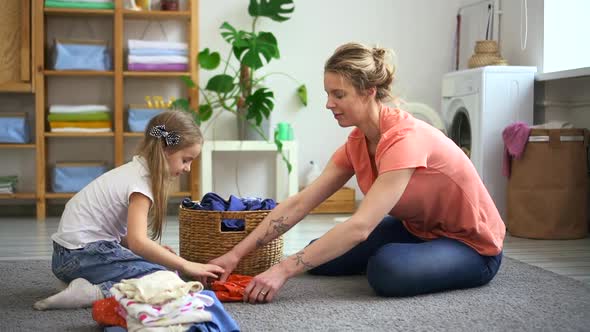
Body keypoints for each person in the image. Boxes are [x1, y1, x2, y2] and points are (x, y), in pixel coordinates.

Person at [209, 42, 505, 303]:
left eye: (339, 94)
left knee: (386, 270)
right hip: (419, 230)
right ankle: (417, 256)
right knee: (319, 258)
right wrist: (236, 254)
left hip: (473, 245)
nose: (329, 104)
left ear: (369, 92)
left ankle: (418, 260)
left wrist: (283, 270)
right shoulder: (356, 143)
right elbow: (301, 203)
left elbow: (361, 227)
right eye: (328, 94)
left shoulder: (405, 139)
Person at [34, 110, 224, 310]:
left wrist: (155, 251)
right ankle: (94, 292)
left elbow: (123, 236)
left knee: (163, 266)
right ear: (165, 149)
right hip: (81, 256)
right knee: (166, 278)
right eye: (186, 160)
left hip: (64, 259)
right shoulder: (141, 184)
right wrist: (186, 264)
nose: (188, 168)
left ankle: (80, 282)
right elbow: (137, 243)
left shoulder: (133, 171)